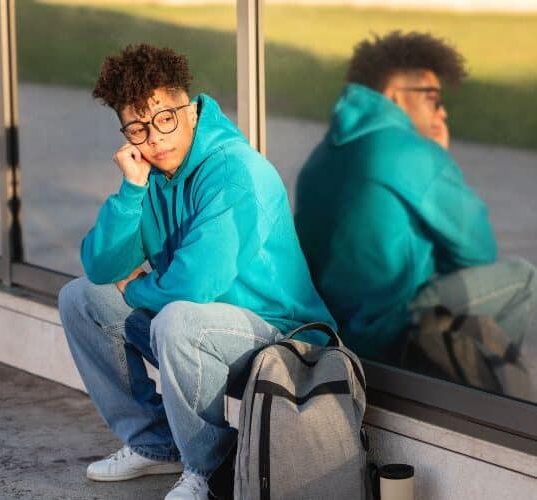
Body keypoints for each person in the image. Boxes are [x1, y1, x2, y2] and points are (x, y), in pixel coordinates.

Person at [58, 44, 335, 500]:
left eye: (164, 118)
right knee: (82, 298)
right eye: (138, 128)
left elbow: (195, 284)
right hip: (198, 327)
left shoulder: (237, 172)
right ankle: (155, 443)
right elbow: (101, 265)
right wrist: (130, 191)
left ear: (188, 108)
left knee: (176, 318)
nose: (155, 139)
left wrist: (139, 289)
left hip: (283, 333)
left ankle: (209, 471)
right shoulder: (151, 174)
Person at [295, 31, 536, 363]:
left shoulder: (321, 156)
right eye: (433, 99)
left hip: (329, 336)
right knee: (521, 279)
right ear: (395, 96)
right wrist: (439, 156)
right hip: (389, 335)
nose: (443, 113)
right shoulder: (412, 154)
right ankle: (481, 395)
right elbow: (479, 252)